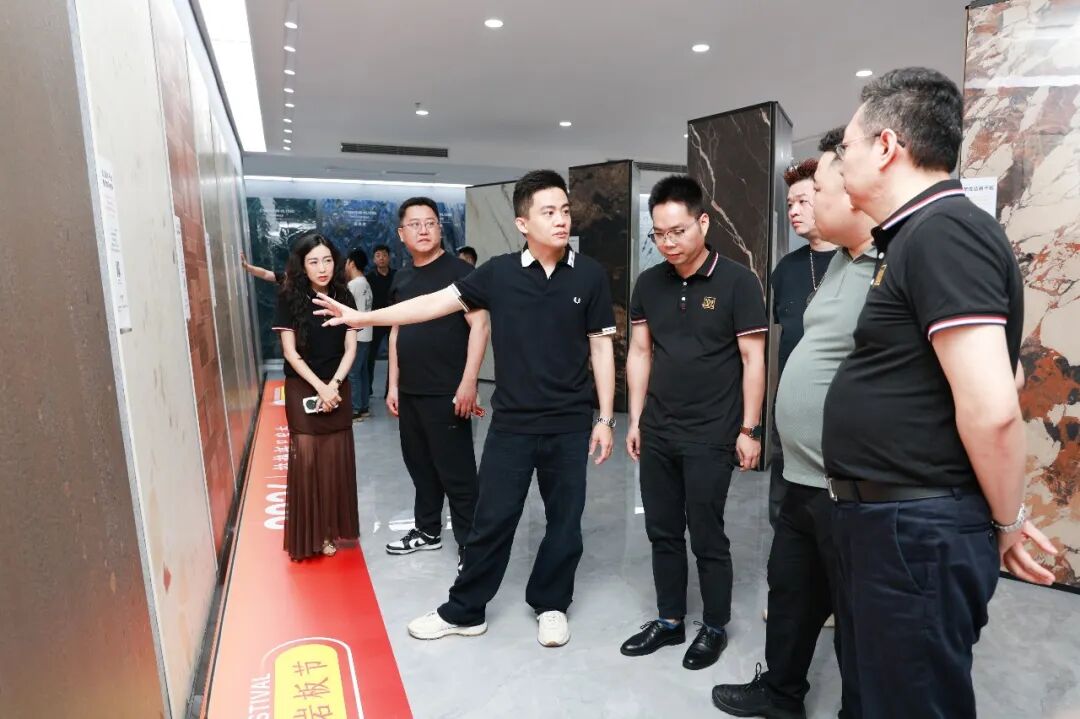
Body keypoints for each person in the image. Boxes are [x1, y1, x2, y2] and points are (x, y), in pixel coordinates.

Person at [821, 67, 1056, 718]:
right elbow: (1000, 373)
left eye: (846, 146)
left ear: (886, 146)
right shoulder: (914, 237)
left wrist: (1006, 519)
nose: (840, 160)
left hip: (915, 529)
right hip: (887, 523)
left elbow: (994, 408)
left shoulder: (945, 231)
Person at [314, 170, 616, 648]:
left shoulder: (590, 274)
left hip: (569, 423)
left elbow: (601, 348)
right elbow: (431, 304)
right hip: (512, 424)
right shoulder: (498, 273)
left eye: (564, 210)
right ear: (522, 223)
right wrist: (364, 317)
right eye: (548, 212)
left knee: (565, 522)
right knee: (492, 519)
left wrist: (605, 418)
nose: (561, 220)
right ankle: (465, 609)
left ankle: (552, 603)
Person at [712, 127, 873, 719]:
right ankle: (781, 693)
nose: (804, 208)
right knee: (790, 587)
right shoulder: (814, 268)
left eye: (817, 193)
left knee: (855, 606)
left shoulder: (894, 261)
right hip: (798, 470)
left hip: (851, 481)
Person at [620, 175, 767, 671]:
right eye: (659, 233)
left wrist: (749, 429)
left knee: (706, 533)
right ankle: (669, 620)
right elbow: (640, 352)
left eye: (678, 231)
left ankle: (715, 626)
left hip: (712, 431)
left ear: (703, 222)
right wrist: (635, 419)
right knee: (661, 530)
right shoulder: (649, 283)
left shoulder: (738, 281)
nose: (668, 242)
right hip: (659, 428)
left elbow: (753, 359)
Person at [383, 197, 488, 568]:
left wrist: (469, 382)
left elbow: (480, 326)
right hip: (410, 390)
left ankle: (471, 546)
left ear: (440, 229)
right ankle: (427, 531)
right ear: (402, 234)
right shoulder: (402, 277)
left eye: (430, 222)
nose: (423, 230)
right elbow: (396, 330)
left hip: (447, 391)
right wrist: (392, 384)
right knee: (421, 467)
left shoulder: (460, 272)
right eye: (414, 224)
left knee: (457, 474)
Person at [273, 233, 360, 561]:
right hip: (303, 387)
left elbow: (350, 347)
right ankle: (311, 533)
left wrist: (333, 384)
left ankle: (329, 530)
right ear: (302, 265)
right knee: (308, 460)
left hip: (337, 386)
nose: (322, 268)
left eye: (327, 260)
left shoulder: (344, 295)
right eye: (314, 262)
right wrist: (320, 388)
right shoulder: (289, 296)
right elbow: (290, 353)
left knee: (334, 462)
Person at [767, 161, 837, 531]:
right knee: (784, 512)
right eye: (790, 204)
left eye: (803, 201)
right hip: (789, 411)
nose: (794, 210)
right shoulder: (786, 269)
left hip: (840, 412)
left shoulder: (858, 262)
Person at [344, 248, 373, 420]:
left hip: (357, 335)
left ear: (352, 263)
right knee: (362, 372)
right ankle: (363, 406)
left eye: (347, 262)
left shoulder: (353, 285)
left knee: (353, 373)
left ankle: (355, 410)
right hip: (366, 333)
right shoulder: (365, 283)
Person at [365, 243, 396, 395]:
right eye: (378, 255)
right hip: (376, 320)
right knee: (370, 356)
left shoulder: (396, 275)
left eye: (384, 255)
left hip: (393, 319)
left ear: (389, 258)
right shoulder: (369, 278)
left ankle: (390, 389)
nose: (381, 258)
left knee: (394, 356)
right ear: (374, 259)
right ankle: (368, 389)